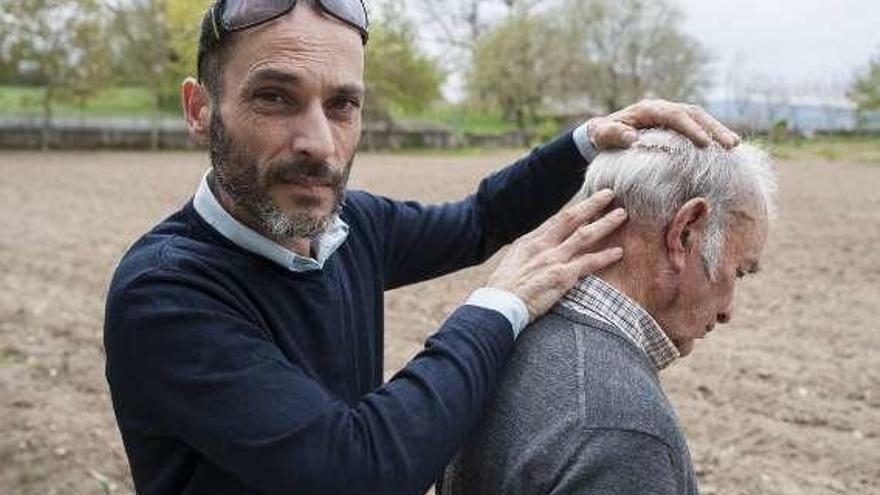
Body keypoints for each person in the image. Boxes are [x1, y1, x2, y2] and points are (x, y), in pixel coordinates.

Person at [103, 1, 741, 494]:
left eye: (342, 104)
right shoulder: (166, 294)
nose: (318, 142)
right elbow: (358, 472)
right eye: (275, 97)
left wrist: (589, 139)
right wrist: (499, 303)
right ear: (199, 109)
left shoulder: (350, 228)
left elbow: (478, 221)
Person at [441, 129, 777, 495]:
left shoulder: (504, 342)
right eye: (739, 271)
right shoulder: (624, 431)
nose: (729, 310)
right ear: (684, 234)